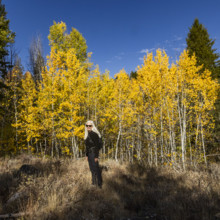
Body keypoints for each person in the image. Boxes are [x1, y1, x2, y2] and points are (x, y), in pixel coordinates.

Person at [84, 120, 102, 188]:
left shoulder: (94, 134)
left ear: (92, 126)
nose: (88, 127)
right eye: (87, 125)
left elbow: (97, 146)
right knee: (92, 169)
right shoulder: (87, 134)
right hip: (89, 154)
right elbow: (87, 146)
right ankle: (94, 183)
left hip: (94, 153)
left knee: (96, 169)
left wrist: (96, 156)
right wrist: (86, 155)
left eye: (90, 126)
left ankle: (99, 184)